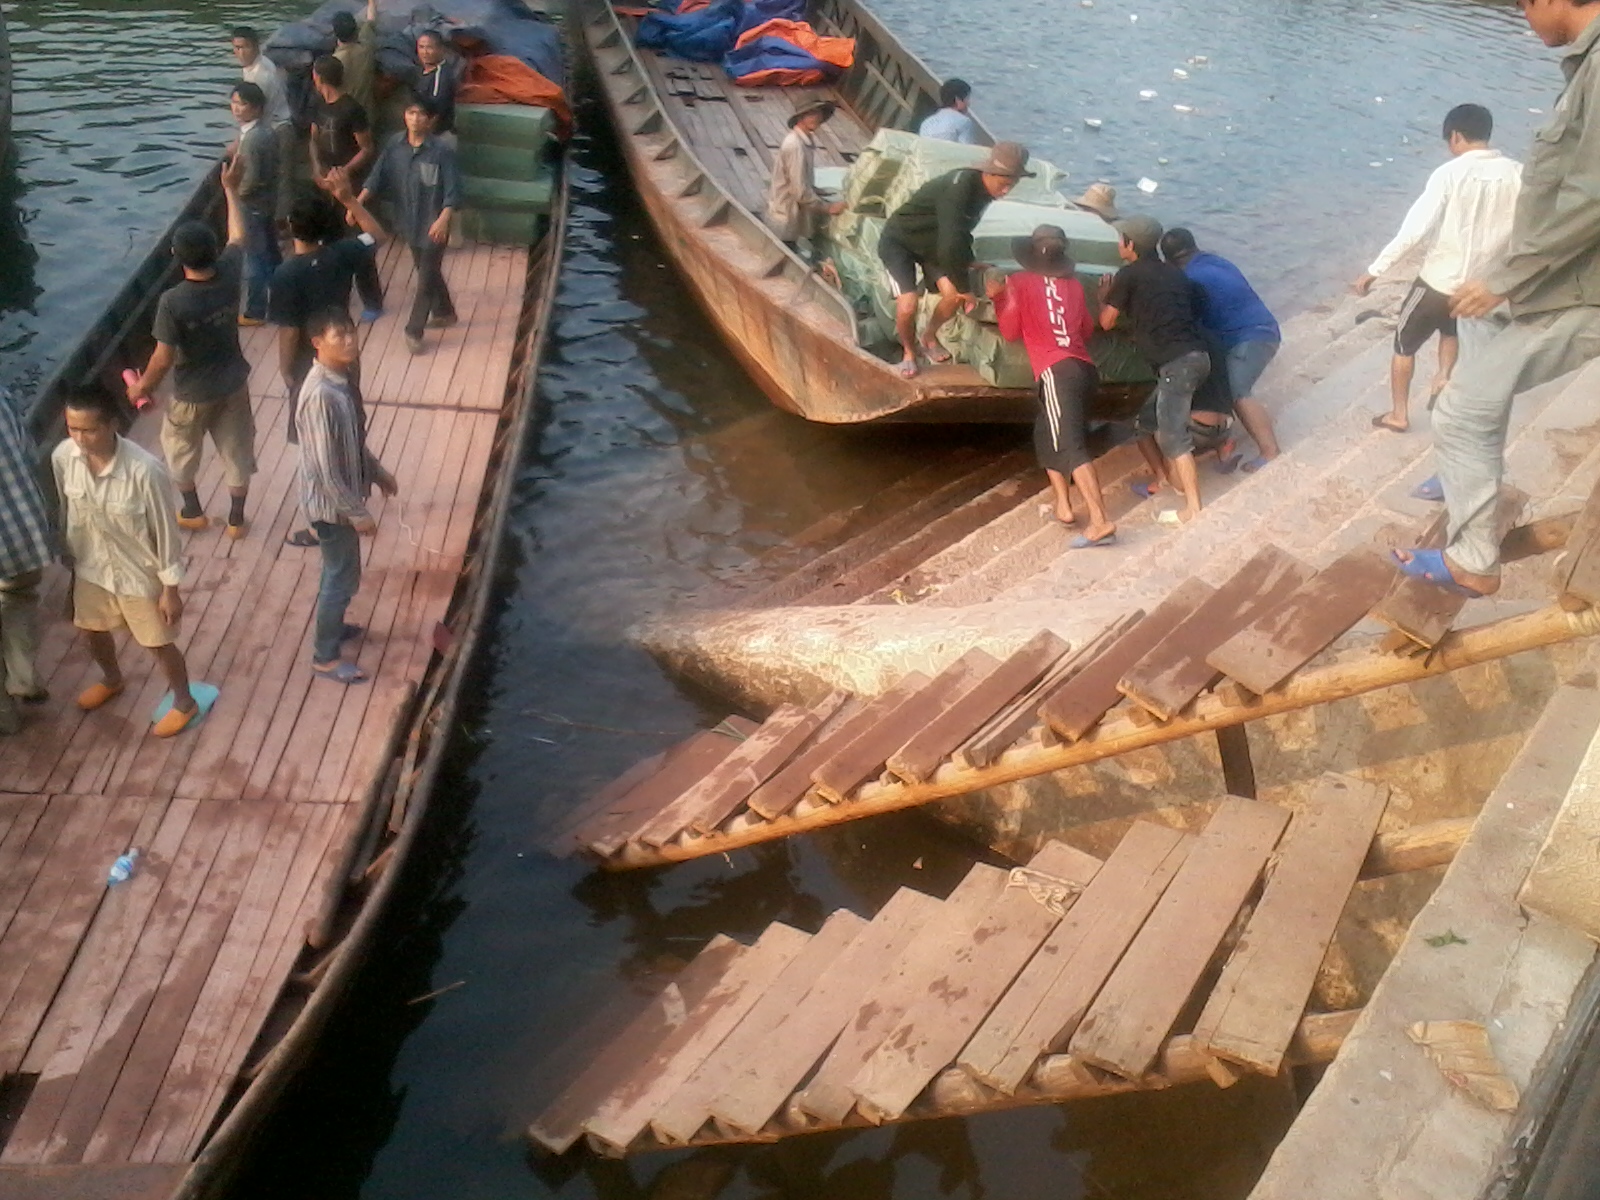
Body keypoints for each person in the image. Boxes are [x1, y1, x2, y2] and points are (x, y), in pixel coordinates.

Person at [1397, 0, 1600, 599]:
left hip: (1588, 288)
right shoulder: (1588, 64)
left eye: (1522, 5)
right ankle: (1469, 467)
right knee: (1477, 318)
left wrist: (1508, 276)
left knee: (1459, 411)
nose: (1523, 16)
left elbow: (1592, 198)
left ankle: (1474, 563)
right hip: (1566, 271)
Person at [1353, 103, 1522, 433]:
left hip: (1437, 282)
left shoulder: (1449, 174)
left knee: (1404, 345)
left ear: (1455, 136)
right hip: (1478, 288)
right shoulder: (1518, 172)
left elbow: (1414, 230)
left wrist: (1375, 269)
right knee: (1451, 330)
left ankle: (1398, 414)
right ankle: (1443, 377)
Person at [53, 391, 203, 736]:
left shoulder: (145, 471)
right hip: (91, 565)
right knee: (91, 629)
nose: (80, 438)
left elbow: (165, 533)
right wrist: (69, 560)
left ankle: (184, 701)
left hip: (138, 571)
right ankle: (112, 679)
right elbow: (65, 509)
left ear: (112, 425)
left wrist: (170, 590)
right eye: (73, 429)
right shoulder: (63, 457)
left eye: (89, 430)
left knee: (156, 641)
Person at [127, 153, 256, 539]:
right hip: (233, 383)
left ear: (177, 257)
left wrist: (141, 387)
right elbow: (239, 236)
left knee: (180, 451)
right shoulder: (229, 272)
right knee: (237, 450)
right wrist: (230, 191)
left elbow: (162, 358)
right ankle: (236, 520)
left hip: (191, 393)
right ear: (213, 250)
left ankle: (193, 511)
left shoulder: (173, 302)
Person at [270, 169, 386, 548]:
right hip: (344, 353)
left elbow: (289, 331)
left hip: (311, 364)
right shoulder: (342, 254)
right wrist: (349, 199)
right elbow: (377, 235)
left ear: (292, 228)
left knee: (313, 445)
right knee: (349, 422)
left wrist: (286, 370)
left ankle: (322, 520)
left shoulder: (286, 274)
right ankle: (356, 486)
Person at [988, 226, 1115, 548]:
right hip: (1083, 370)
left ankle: (1101, 521)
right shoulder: (1073, 285)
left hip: (1055, 372)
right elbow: (1086, 329)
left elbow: (1010, 331)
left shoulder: (1018, 282)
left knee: (1071, 446)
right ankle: (1064, 507)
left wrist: (998, 298)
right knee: (1045, 434)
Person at [296, 308, 398, 684]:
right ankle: (325, 657)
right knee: (341, 578)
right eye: (339, 336)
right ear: (317, 343)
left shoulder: (342, 379)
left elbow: (352, 441)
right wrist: (357, 513)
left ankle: (334, 628)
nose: (350, 341)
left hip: (341, 503)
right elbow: (326, 468)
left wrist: (377, 471)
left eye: (351, 332)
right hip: (331, 508)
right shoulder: (321, 395)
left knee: (340, 572)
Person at [878, 141, 1034, 379]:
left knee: (952, 296)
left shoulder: (985, 193)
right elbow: (950, 242)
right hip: (900, 241)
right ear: (989, 172)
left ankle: (928, 336)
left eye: (1011, 186)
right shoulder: (958, 188)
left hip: (931, 244)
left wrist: (968, 261)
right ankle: (909, 352)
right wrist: (966, 288)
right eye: (1003, 184)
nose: (1005, 191)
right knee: (909, 303)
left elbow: (962, 231)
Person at [1100, 214, 1210, 524]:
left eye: (1121, 239)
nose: (1119, 244)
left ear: (1130, 244)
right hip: (1198, 357)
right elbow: (1197, 306)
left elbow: (1106, 322)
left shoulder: (1128, 275)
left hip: (1177, 365)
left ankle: (1194, 507)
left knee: (1174, 437)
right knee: (1143, 423)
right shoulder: (1176, 273)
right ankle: (1165, 479)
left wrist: (1104, 298)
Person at [1160, 227, 1283, 470]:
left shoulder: (1190, 279)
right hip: (1266, 327)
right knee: (1222, 382)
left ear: (1169, 261)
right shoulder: (1216, 261)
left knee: (1238, 391)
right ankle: (1223, 446)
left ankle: (1270, 451)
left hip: (1250, 337)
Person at [360, 98, 460, 356]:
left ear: (431, 120)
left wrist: (444, 218)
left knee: (425, 279)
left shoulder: (442, 151)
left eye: (421, 114)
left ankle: (414, 330)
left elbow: (453, 190)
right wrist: (357, 203)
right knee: (426, 270)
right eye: (411, 112)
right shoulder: (394, 145)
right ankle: (444, 311)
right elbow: (376, 177)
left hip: (434, 225)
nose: (415, 119)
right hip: (408, 223)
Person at [309, 53, 383, 319]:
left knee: (359, 242)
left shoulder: (352, 109)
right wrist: (317, 168)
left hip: (350, 185)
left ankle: (373, 301)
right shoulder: (318, 105)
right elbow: (313, 138)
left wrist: (343, 173)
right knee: (328, 241)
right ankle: (335, 294)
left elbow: (367, 148)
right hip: (325, 184)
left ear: (318, 78)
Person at [0, 387, 53, 733]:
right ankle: (23, 677)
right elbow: (29, 453)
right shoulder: (3, 397)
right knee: (18, 597)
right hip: (23, 532)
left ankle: (4, 715)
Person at [230, 26, 296, 221]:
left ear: (256, 47)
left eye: (244, 47)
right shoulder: (257, 65)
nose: (239, 52)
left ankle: (283, 223)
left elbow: (254, 115)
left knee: (281, 181)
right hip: (272, 126)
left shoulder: (261, 76)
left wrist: (240, 143)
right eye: (236, 47)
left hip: (277, 129)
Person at [229, 81, 281, 326]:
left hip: (252, 206)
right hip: (267, 203)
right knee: (270, 253)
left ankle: (255, 311)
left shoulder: (252, 139)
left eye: (243, 104)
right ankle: (282, 295)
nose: (236, 109)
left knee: (255, 260)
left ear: (257, 108)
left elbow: (250, 180)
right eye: (234, 103)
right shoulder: (267, 132)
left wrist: (233, 192)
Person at [765, 99, 846, 253]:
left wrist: (821, 192)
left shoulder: (805, 142)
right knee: (784, 253)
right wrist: (828, 208)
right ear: (801, 117)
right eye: (812, 113)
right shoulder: (795, 145)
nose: (817, 117)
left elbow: (802, 181)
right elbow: (800, 192)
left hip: (791, 216)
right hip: (785, 218)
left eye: (819, 113)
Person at [332, 0, 379, 120]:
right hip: (367, 117)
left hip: (343, 121)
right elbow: (371, 20)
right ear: (356, 30)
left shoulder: (334, 62)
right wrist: (372, 3)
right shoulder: (367, 48)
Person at [412, 30, 461, 136]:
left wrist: (425, 137)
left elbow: (438, 111)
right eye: (421, 47)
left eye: (429, 47)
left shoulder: (442, 74)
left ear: (440, 49)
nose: (425, 52)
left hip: (438, 135)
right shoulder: (420, 71)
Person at [918, 79, 977, 144]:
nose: (968, 103)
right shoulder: (964, 121)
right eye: (967, 99)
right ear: (957, 100)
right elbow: (966, 147)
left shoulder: (926, 122)